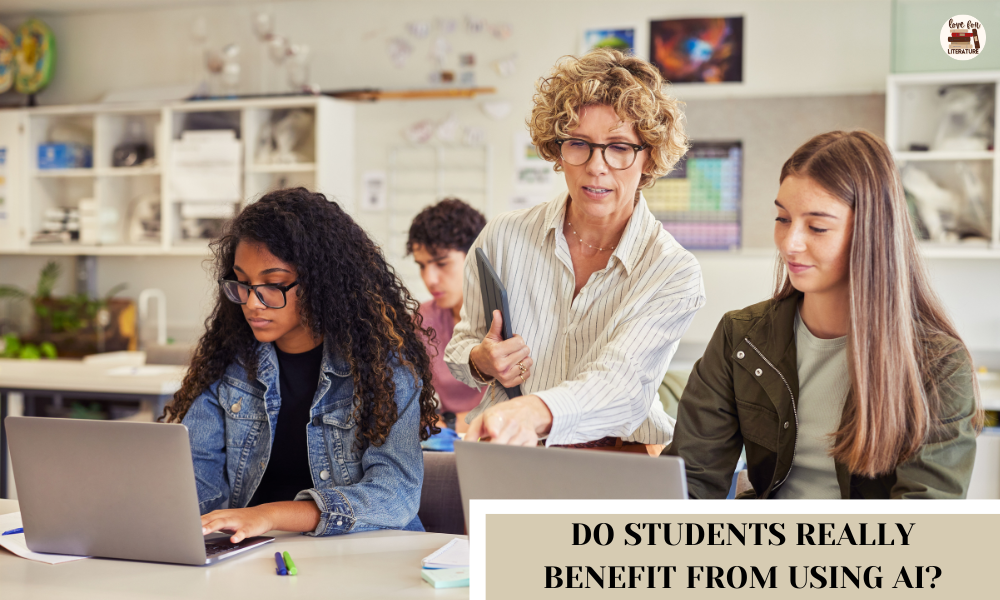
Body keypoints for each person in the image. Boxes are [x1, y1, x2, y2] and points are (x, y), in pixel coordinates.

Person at [665, 130, 984, 499]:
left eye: (817, 227)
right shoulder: (741, 338)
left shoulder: (937, 364)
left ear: (871, 233)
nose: (790, 243)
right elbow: (691, 482)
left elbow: (925, 523)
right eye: (782, 218)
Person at [445, 49, 705, 453]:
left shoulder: (673, 271)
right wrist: (481, 359)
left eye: (619, 147)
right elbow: (462, 349)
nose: (596, 166)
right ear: (557, 148)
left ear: (649, 155)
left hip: (620, 457)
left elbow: (621, 385)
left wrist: (534, 411)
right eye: (579, 144)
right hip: (512, 453)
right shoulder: (502, 237)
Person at [162, 188, 439, 541]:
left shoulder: (382, 371)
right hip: (250, 555)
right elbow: (194, 479)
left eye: (273, 285)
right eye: (243, 284)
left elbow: (394, 495)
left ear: (322, 284)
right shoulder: (227, 365)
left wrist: (271, 514)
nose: (252, 303)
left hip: (361, 555)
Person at [407, 198, 488, 432]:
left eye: (441, 263)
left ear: (475, 258)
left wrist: (450, 423)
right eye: (422, 265)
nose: (429, 279)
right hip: (445, 441)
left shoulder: (509, 315)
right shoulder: (422, 320)